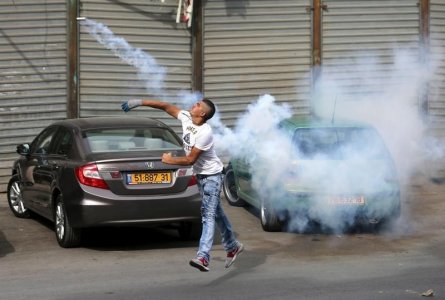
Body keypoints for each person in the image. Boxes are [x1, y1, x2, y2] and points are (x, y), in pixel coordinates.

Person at [121, 98, 244, 272]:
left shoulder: (205, 133)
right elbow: (165, 106)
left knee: (207, 216)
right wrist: (140, 102)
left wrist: (169, 160)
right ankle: (232, 246)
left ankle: (203, 257)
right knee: (216, 213)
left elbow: (190, 159)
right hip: (201, 176)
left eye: (198, 105)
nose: (194, 104)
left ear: (202, 114)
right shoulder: (186, 117)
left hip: (212, 178)